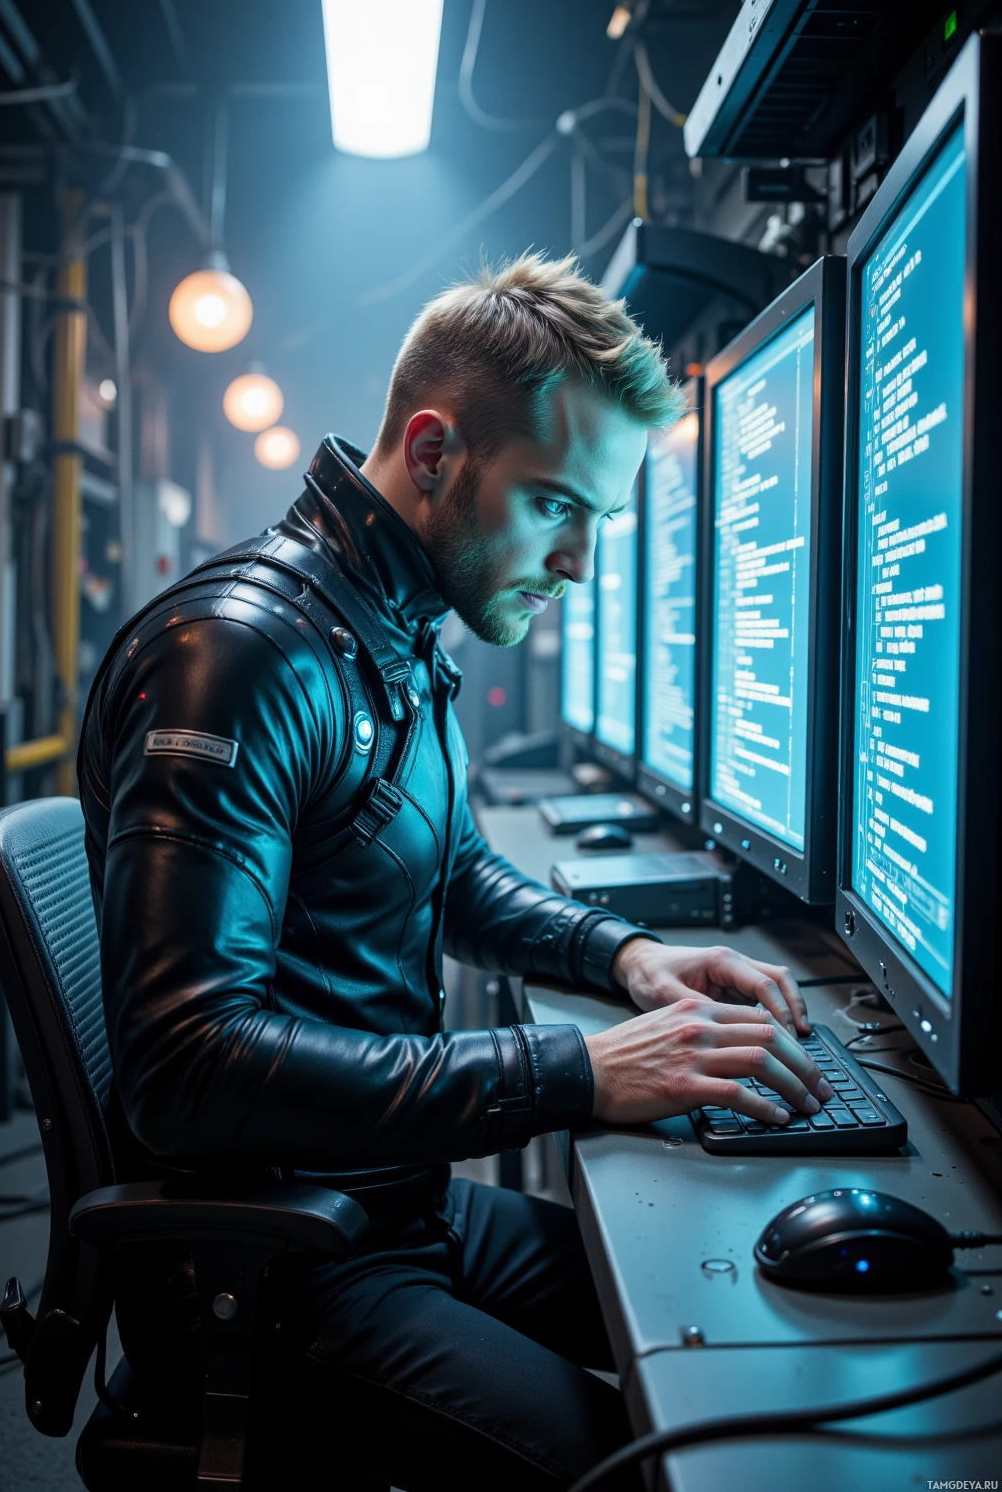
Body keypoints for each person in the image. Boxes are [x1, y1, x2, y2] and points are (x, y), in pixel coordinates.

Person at [79, 252, 832, 1490]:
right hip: (277, 1263)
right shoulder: (245, 659)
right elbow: (184, 1067)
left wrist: (625, 957)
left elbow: (457, 872)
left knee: (746, 1332)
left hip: (390, 1207)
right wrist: (573, 1070)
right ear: (433, 454)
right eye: (554, 507)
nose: (581, 565)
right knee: (658, 1467)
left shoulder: (385, 626)